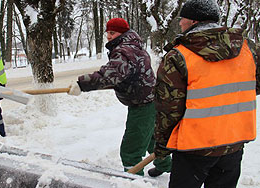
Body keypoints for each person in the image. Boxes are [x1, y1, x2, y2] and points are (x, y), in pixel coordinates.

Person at [153, 0, 260, 187]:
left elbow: (169, 108)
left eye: (182, 19)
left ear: (194, 22)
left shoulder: (178, 56)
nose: (180, 23)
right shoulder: (248, 49)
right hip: (233, 143)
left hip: (193, 147)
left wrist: (162, 145)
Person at [67, 18, 171, 176]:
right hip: (150, 100)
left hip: (143, 105)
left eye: (112, 32)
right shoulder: (133, 46)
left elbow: (110, 75)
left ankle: (134, 182)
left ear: (122, 33)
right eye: (107, 32)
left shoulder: (124, 51)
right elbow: (124, 74)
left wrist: (82, 84)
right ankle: (166, 166)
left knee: (131, 149)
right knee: (153, 139)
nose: (108, 36)